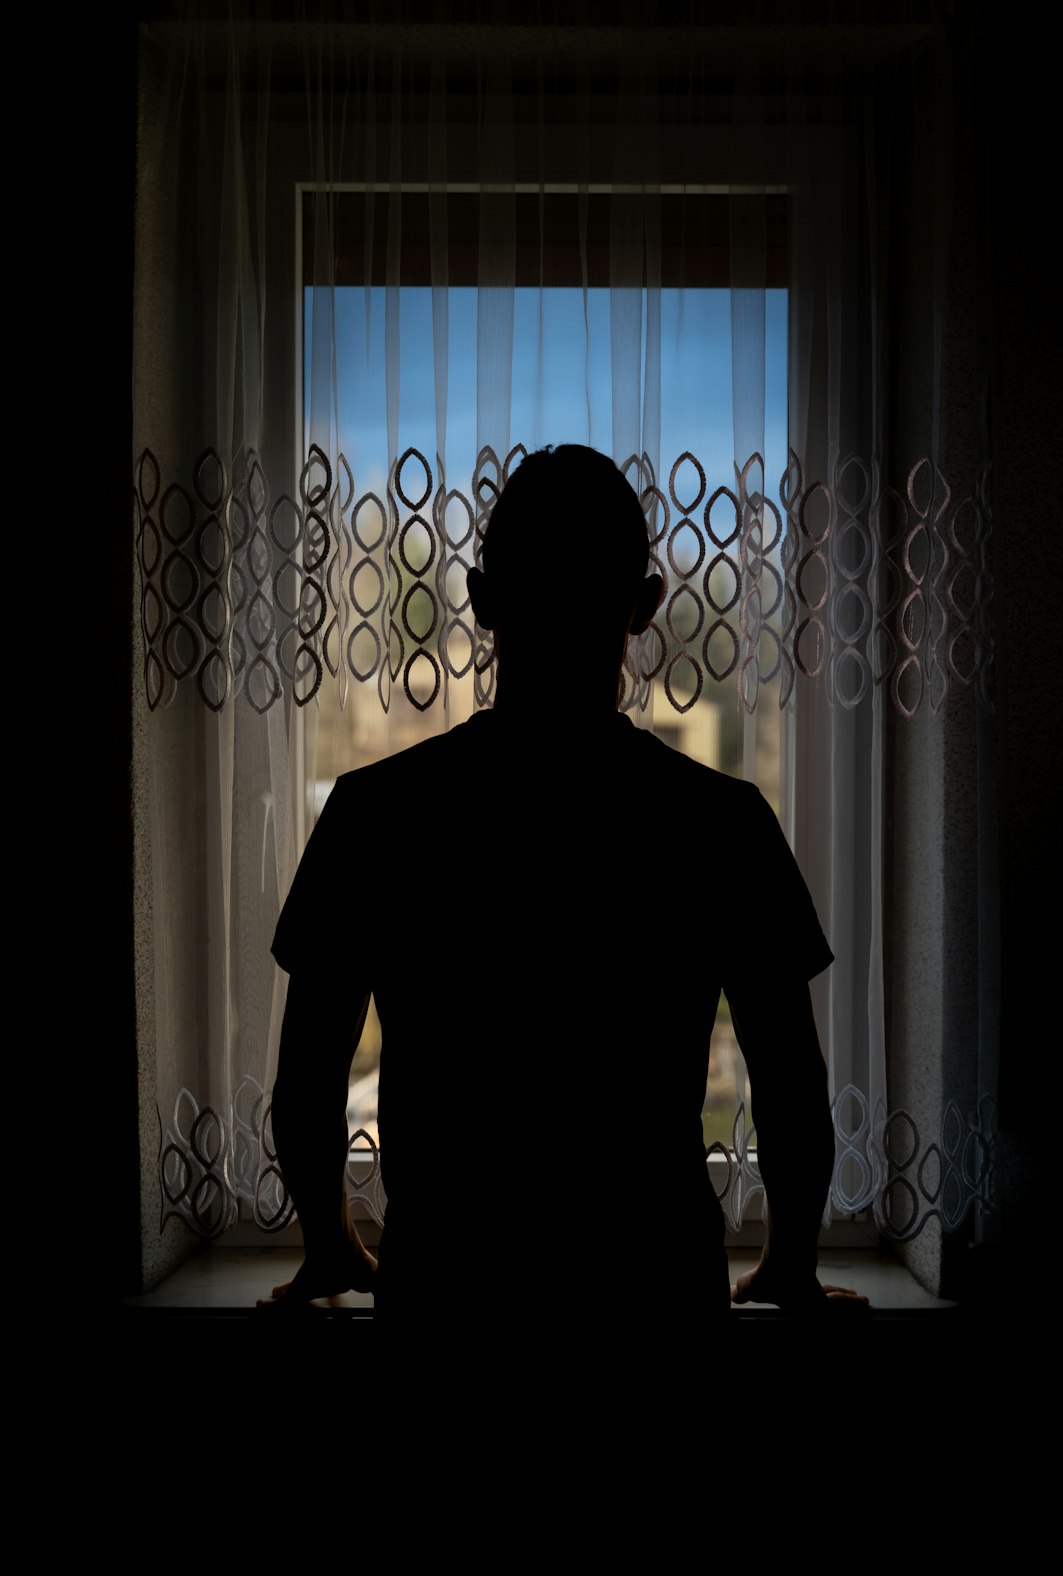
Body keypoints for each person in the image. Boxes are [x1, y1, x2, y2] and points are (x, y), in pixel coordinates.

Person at [262, 444, 857, 1324]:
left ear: (484, 599)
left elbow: (310, 1075)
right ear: (646, 605)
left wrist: (328, 1243)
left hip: (452, 1291)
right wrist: (795, 1261)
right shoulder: (723, 824)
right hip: (653, 1292)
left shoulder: (373, 814)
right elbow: (791, 1080)